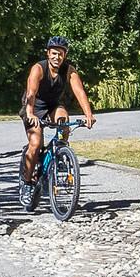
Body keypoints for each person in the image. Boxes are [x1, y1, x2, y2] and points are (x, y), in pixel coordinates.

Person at [19, 34, 95, 189]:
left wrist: (88, 115)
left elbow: (79, 92)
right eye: (54, 53)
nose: (57, 57)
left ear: (65, 55)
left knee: (64, 122)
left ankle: (59, 154)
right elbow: (31, 93)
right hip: (33, 107)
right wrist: (30, 112)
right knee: (35, 144)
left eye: (60, 54)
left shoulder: (69, 70)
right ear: (48, 53)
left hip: (52, 107)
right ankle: (26, 183)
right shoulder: (39, 69)